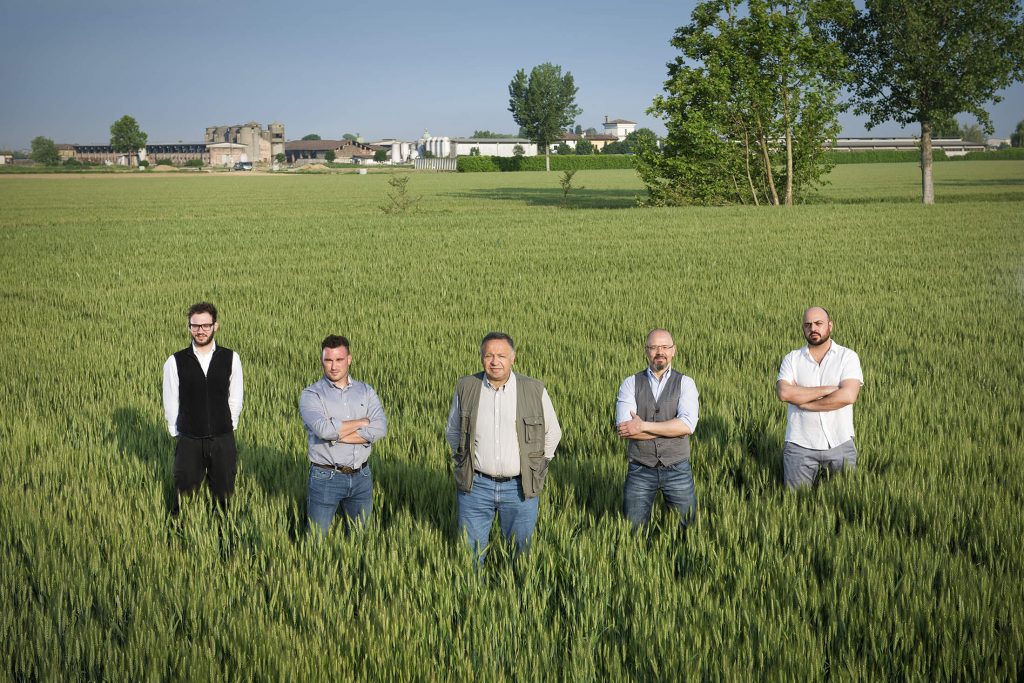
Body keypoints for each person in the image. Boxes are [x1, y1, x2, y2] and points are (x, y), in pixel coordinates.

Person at [445, 332, 561, 560]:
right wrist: (464, 461)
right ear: (481, 358)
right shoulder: (467, 387)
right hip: (476, 486)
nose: (495, 361)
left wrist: (536, 468)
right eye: (489, 355)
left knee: (521, 554)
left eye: (501, 356)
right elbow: (453, 431)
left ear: (513, 358)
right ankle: (473, 595)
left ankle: (519, 596)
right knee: (470, 555)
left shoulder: (534, 389)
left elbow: (553, 433)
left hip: (519, 488)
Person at [299, 335, 387, 534]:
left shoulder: (366, 391)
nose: (333, 366)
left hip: (362, 477)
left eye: (339, 359)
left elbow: (380, 429)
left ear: (349, 359)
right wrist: (363, 423)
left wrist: (335, 434)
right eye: (328, 360)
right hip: (325, 477)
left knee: (360, 539)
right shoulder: (312, 394)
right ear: (321, 360)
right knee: (315, 540)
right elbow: (323, 430)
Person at [162, 302, 243, 511]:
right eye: (195, 326)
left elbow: (235, 397)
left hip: (223, 439)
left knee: (224, 494)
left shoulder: (231, 358)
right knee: (184, 494)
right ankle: (180, 535)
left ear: (215, 325)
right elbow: (171, 400)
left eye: (206, 325)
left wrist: (227, 426)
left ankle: (223, 537)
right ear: (189, 327)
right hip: (189, 440)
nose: (201, 331)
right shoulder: (175, 361)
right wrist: (177, 433)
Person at [616, 328, 699, 530]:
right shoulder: (630, 383)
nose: (659, 352)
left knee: (687, 530)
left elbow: (687, 426)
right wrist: (672, 427)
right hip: (640, 469)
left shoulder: (686, 383)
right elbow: (626, 429)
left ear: (673, 351)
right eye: (653, 347)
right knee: (632, 531)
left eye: (664, 347)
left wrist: (642, 425)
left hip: (678, 469)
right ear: (646, 351)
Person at [776, 307, 863, 489]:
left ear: (830, 326)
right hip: (799, 445)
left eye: (818, 323)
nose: (813, 328)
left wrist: (805, 403)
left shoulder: (847, 357)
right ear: (803, 329)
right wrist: (829, 390)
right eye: (808, 325)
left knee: (846, 502)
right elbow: (784, 393)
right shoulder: (792, 359)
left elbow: (848, 395)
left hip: (840, 441)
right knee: (795, 505)